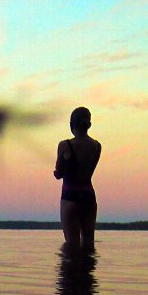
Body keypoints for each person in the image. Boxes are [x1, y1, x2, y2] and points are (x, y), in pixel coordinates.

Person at [53, 107, 102, 251]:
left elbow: (59, 172)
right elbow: (89, 170)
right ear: (89, 125)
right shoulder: (97, 146)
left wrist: (58, 173)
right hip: (89, 196)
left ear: (71, 125)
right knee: (89, 245)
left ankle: (71, 273)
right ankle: (87, 272)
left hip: (70, 195)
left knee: (71, 246)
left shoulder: (64, 145)